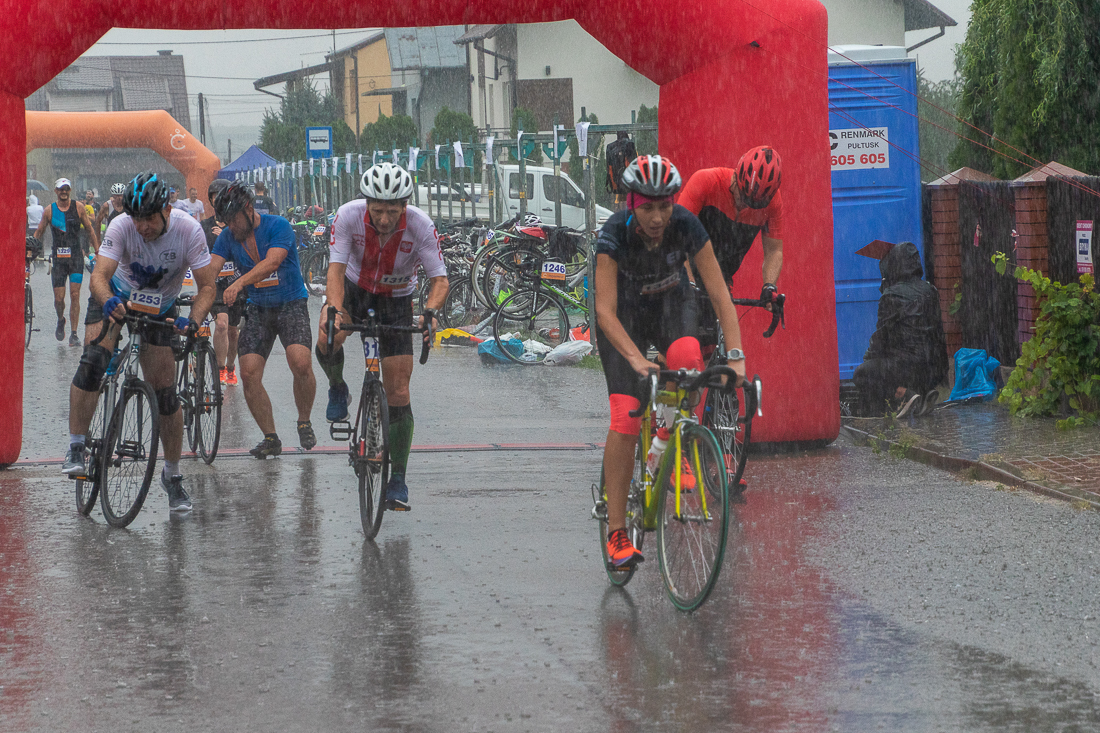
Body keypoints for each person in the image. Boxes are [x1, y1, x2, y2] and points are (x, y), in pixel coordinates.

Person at [594, 155, 746, 568]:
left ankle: (669, 439)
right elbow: (604, 311)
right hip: (623, 317)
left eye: (665, 206)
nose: (658, 217)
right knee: (625, 416)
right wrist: (636, 359)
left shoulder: (686, 225)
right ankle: (617, 532)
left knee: (689, 360)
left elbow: (720, 296)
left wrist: (736, 358)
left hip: (670, 306)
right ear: (632, 203)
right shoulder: (613, 234)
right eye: (648, 208)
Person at [61, 171, 217, 512]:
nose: (142, 226)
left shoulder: (189, 230)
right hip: (115, 296)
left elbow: (207, 286)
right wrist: (107, 300)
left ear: (167, 210)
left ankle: (172, 475)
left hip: (159, 306)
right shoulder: (121, 225)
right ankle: (76, 446)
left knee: (165, 395)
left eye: (149, 219)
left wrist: (193, 320)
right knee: (93, 362)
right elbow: (99, 276)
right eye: (137, 218)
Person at [315, 163, 448, 511]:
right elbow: (336, 270)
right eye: (377, 211)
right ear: (367, 204)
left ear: (405, 205)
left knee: (399, 391)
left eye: (392, 211)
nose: (385, 219)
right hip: (355, 291)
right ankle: (337, 386)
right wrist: (333, 309)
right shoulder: (348, 216)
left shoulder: (420, 225)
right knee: (328, 336)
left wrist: (431, 311)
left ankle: (398, 478)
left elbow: (440, 280)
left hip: (397, 299)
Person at [209, 181, 317, 457]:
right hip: (258, 308)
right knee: (248, 373)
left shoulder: (277, 225)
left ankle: (304, 420)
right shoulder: (228, 236)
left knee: (301, 363)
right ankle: (271, 437)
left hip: (290, 303)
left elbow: (272, 262)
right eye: (226, 221)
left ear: (248, 209)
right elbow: (210, 269)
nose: (231, 226)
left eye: (234, 219)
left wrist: (239, 283)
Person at [854, 241, 948, 418]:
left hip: (907, 367)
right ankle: (922, 393)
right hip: (934, 367)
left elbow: (881, 337)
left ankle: (905, 395)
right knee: (896, 364)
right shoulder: (930, 290)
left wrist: (868, 360)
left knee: (862, 374)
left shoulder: (892, 295)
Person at [678, 145, 785, 301]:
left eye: (754, 205)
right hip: (680, 268)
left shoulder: (773, 203)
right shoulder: (705, 182)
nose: (744, 206)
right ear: (736, 176)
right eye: (743, 196)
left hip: (720, 278)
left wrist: (769, 287)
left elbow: (774, 251)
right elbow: (677, 237)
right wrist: (689, 283)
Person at [33, 178, 99, 346]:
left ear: (70, 190)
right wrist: (30, 249)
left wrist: (98, 251)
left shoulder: (79, 207)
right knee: (59, 299)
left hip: (76, 258)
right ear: (56, 191)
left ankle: (74, 334)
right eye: (60, 189)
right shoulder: (49, 210)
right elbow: (39, 232)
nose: (63, 191)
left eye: (66, 189)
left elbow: (90, 230)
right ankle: (61, 319)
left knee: (75, 295)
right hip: (59, 261)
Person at [201, 179, 241, 385]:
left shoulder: (238, 225)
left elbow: (244, 251)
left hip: (236, 282)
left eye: (223, 197)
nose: (219, 201)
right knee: (222, 324)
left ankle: (231, 367)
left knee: (233, 330)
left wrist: (225, 236)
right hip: (215, 283)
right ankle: (220, 369)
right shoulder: (204, 226)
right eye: (215, 198)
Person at [605, 131, 638, 211]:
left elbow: (610, 168)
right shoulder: (630, 145)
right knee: (630, 201)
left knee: (621, 200)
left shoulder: (611, 147)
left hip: (617, 180)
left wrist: (613, 184)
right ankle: (628, 214)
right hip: (629, 181)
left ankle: (622, 214)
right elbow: (630, 164)